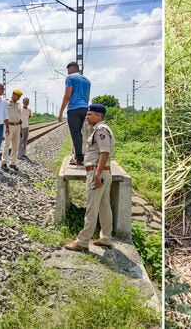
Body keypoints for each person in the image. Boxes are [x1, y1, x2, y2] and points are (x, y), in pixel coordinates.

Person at [65, 104, 115, 252]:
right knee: (104, 207)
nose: (87, 117)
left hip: (97, 173)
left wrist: (97, 175)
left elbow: (104, 152)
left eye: (90, 115)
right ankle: (106, 238)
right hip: (104, 173)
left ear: (99, 116)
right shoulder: (101, 130)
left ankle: (82, 242)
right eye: (87, 115)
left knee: (91, 208)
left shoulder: (101, 131)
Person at [58, 61, 91, 166]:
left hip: (74, 109)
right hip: (85, 108)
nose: (67, 72)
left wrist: (61, 112)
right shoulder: (87, 80)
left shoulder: (70, 78)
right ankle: (81, 155)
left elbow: (67, 95)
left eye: (68, 70)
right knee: (81, 134)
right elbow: (87, 97)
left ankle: (79, 159)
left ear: (72, 68)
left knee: (75, 134)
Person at [1, 88, 23, 171]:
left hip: (17, 125)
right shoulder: (6, 102)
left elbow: (19, 117)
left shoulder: (18, 105)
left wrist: (20, 129)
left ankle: (13, 163)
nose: (19, 98)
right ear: (13, 94)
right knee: (6, 145)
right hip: (9, 125)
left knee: (15, 145)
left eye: (20, 97)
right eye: (18, 96)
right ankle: (4, 162)